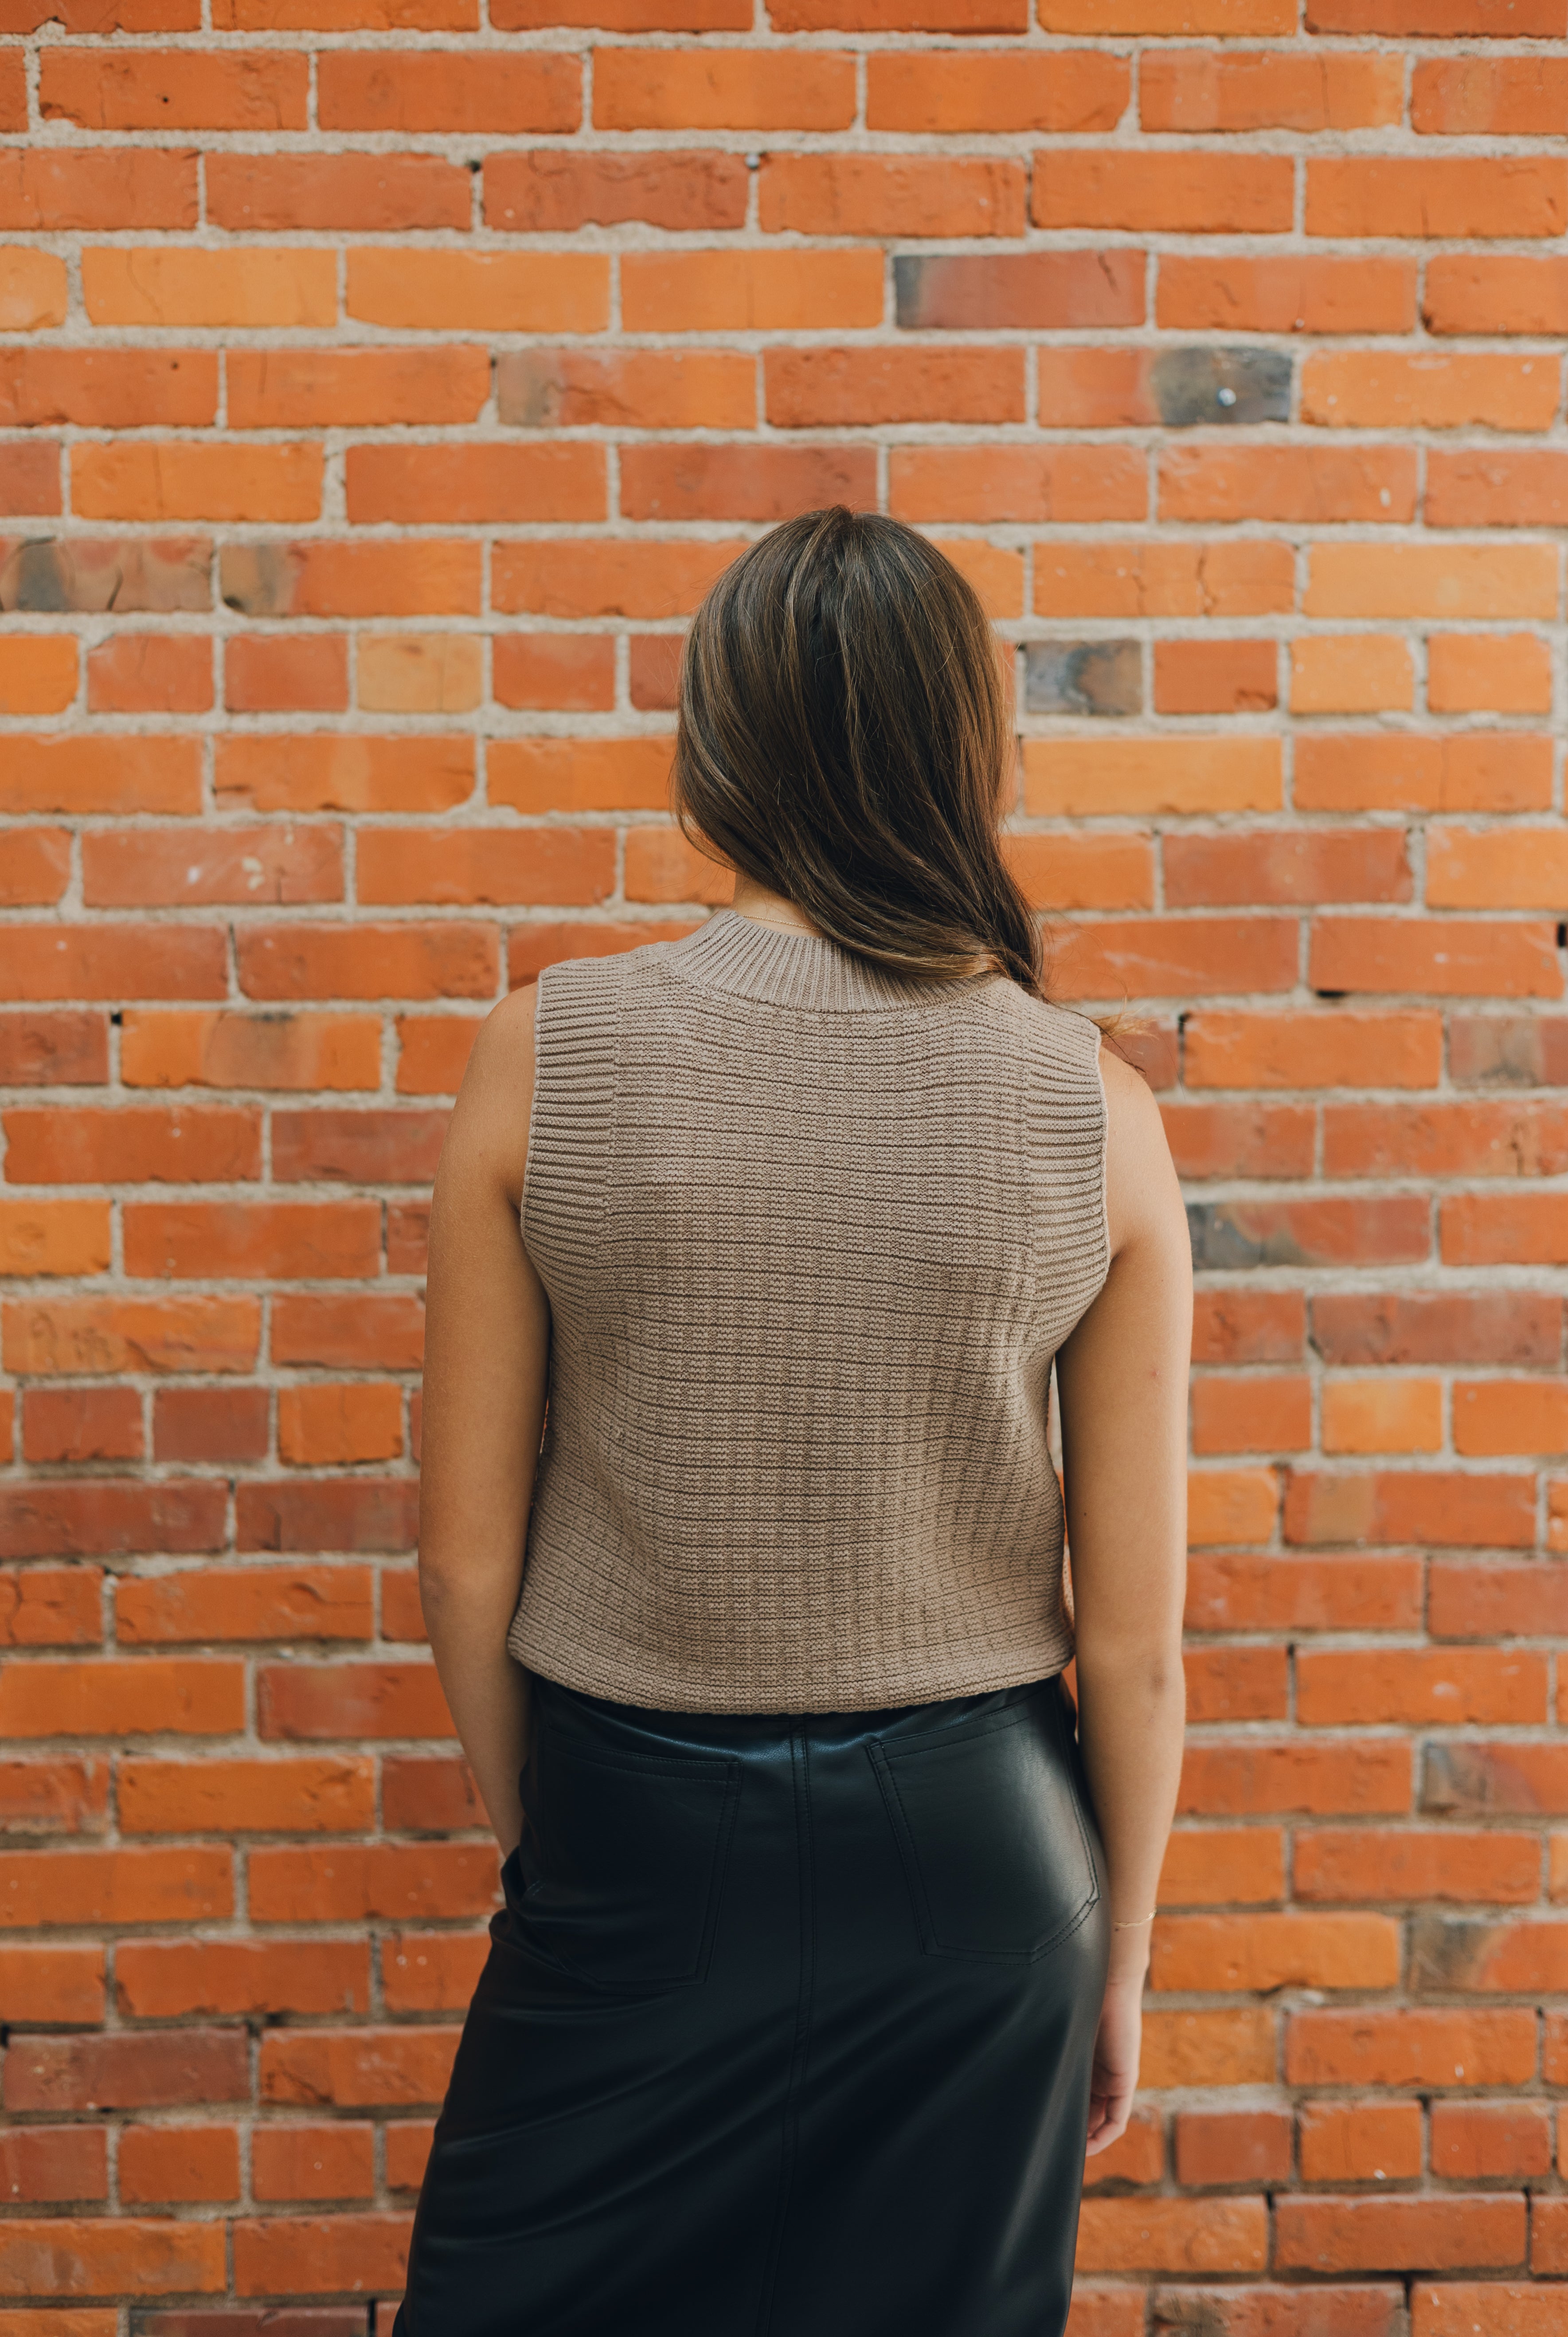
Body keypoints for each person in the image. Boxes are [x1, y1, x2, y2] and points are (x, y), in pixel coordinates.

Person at [395, 507, 1191, 2337]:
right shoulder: (1097, 1108)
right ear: (966, 752)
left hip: (634, 1828)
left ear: (718, 740)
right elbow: (1136, 1651)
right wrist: (1120, 1956)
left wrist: (561, 1849)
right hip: (987, 1871)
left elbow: (460, 1561)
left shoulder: (549, 1047)